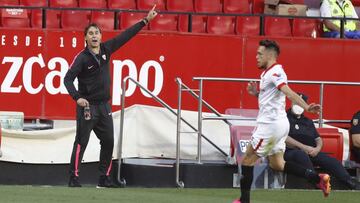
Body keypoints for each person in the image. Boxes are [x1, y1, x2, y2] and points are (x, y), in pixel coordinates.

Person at [63, 6, 158, 188]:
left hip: (104, 106)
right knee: (81, 142)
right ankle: (73, 178)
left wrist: (145, 20)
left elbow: (126, 36)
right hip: (88, 106)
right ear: (85, 38)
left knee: (108, 141)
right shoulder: (82, 58)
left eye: (97, 33)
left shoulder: (107, 49)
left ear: (101, 36)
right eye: (90, 33)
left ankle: (103, 178)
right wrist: (77, 97)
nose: (94, 36)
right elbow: (67, 79)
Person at [233, 39, 331, 203]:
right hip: (278, 125)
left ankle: (244, 201)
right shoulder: (266, 73)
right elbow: (271, 98)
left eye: (259, 54)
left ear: (269, 55)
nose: (256, 57)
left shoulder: (276, 72)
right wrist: (256, 93)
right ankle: (317, 179)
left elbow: (288, 92)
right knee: (278, 164)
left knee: (247, 160)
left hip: (270, 126)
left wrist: (307, 108)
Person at [284, 93, 357, 190]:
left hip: (312, 151)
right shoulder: (283, 118)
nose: (298, 106)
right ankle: (317, 183)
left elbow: (318, 139)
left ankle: (350, 183)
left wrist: (317, 149)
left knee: (332, 161)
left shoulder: (308, 121)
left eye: (301, 103)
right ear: (292, 103)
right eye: (296, 102)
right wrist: (303, 147)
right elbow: (283, 137)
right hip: (291, 151)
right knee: (302, 156)